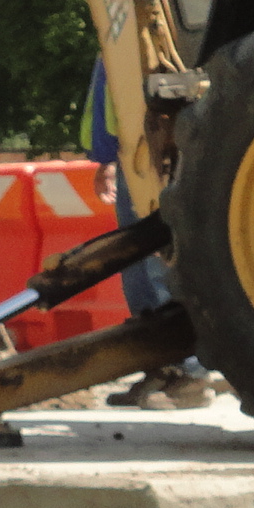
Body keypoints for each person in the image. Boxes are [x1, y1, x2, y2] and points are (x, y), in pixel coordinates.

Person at [85, 60, 215, 410]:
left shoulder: (153, 35)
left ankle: (189, 374)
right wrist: (106, 157)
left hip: (162, 148)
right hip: (134, 152)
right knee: (137, 262)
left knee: (161, 260)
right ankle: (157, 367)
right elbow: (108, 100)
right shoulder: (117, 32)